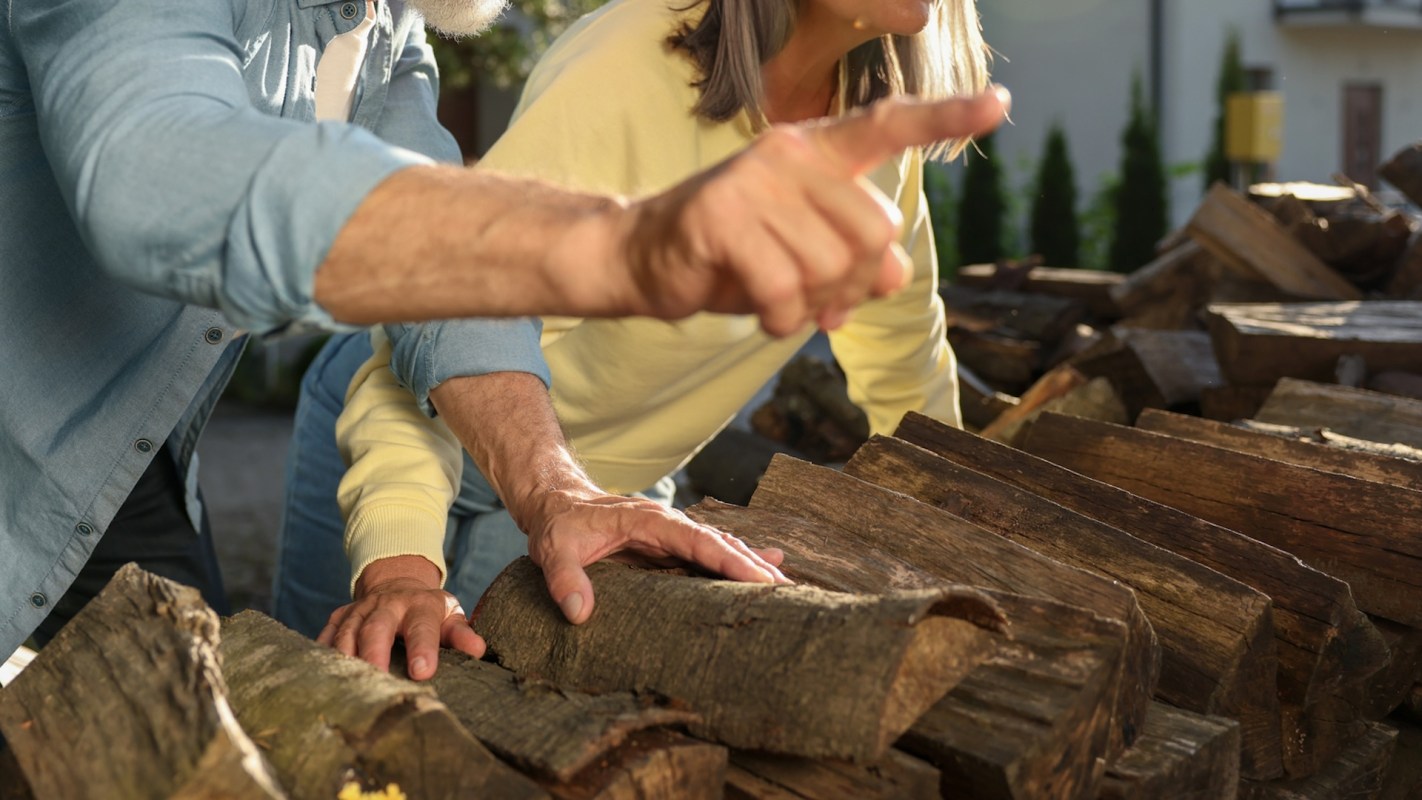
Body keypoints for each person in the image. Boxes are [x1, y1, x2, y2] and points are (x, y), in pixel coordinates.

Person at [0, 0, 1008, 662]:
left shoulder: (386, 38)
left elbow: (439, 291)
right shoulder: (628, 60)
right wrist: (616, 245)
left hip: (118, 467)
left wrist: (554, 489)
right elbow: (153, 172)